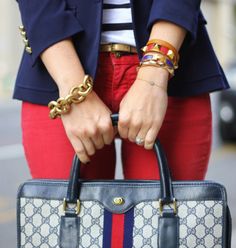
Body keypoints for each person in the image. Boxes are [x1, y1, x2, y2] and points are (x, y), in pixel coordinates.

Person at [13, 0, 229, 181]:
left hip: (171, 66)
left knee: (165, 227)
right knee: (66, 228)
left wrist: (153, 78)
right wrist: (73, 88)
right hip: (59, 67)